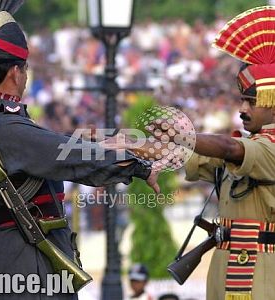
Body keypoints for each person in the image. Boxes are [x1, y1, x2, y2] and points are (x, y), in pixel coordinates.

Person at [0, 1, 159, 299]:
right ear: (14, 73)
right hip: (26, 261)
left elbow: (53, 150)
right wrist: (137, 164)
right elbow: (67, 156)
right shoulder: (6, 126)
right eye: (25, 70)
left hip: (22, 254)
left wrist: (102, 145)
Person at [103, 5, 275, 300]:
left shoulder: (265, 148)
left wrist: (181, 133)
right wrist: (131, 142)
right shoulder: (247, 145)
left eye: (251, 102)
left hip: (262, 269)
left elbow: (228, 147)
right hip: (225, 263)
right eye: (242, 100)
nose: (242, 110)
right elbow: (178, 154)